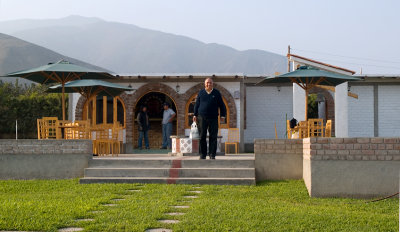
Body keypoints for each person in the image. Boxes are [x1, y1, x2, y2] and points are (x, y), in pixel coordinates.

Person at [193, 78, 226, 159]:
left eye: (210, 83)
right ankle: (202, 154)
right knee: (202, 136)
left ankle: (212, 154)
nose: (209, 84)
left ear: (212, 84)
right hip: (202, 117)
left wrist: (222, 116)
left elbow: (222, 105)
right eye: (207, 83)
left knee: (213, 136)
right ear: (205, 84)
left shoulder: (216, 93)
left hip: (213, 117)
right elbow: (197, 104)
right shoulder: (201, 92)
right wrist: (195, 115)